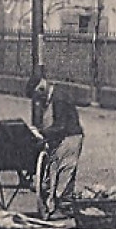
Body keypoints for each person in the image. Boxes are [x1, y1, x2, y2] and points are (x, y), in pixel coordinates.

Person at [31, 75, 83, 217]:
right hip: (59, 138)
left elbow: (61, 126)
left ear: (43, 87)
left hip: (70, 137)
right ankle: (54, 204)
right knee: (54, 170)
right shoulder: (48, 97)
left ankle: (64, 207)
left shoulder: (59, 98)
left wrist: (41, 132)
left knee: (65, 171)